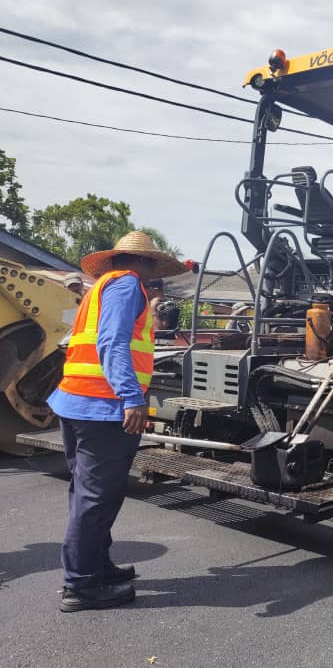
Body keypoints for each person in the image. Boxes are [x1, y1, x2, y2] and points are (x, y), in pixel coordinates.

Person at [47, 231, 187, 613]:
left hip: (77, 401)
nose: (155, 274)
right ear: (144, 264)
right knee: (95, 498)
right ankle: (81, 586)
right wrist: (132, 397)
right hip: (104, 407)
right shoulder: (128, 287)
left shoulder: (102, 286)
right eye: (154, 266)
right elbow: (112, 342)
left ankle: (97, 567)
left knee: (88, 494)